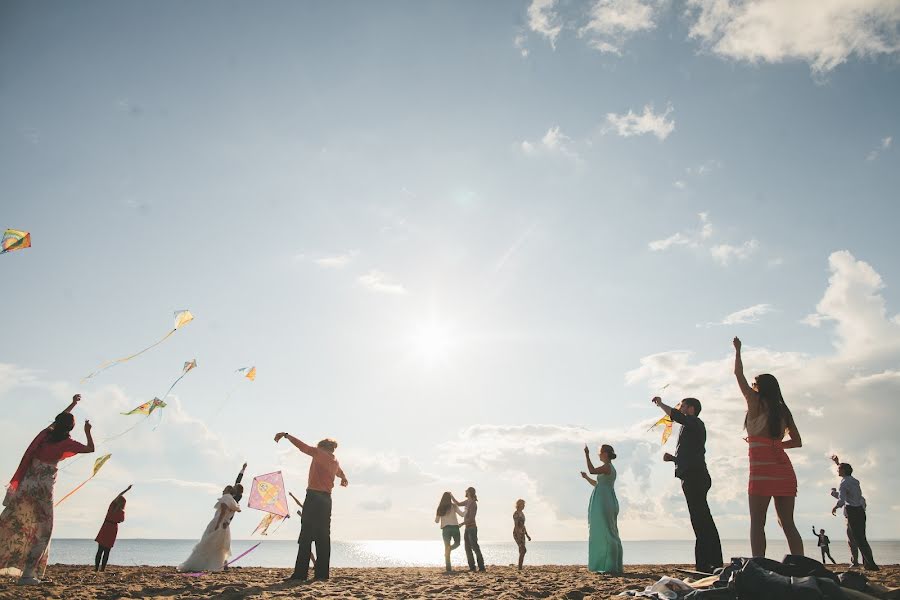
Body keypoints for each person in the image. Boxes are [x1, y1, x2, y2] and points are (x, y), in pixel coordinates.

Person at [0, 394, 95, 585]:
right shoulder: (67, 443)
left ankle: (17, 568)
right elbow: (90, 448)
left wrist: (73, 404)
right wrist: (87, 431)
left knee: (13, 521)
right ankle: (27, 575)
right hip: (43, 490)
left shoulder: (45, 435)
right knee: (43, 530)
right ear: (71, 428)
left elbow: (60, 418)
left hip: (26, 487)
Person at [733, 337, 803, 558]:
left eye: (755, 384)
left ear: (760, 388)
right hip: (783, 469)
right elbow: (797, 441)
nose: (752, 386)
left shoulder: (754, 402)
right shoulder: (783, 410)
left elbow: (738, 375)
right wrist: (774, 444)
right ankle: (800, 564)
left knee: (757, 522)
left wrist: (738, 351)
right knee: (788, 523)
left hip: (762, 470)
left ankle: (758, 565)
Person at [652, 396, 723, 574]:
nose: (680, 408)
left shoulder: (695, 423)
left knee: (701, 521)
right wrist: (673, 459)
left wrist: (660, 404)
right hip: (692, 475)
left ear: (691, 408)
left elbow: (677, 416)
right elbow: (692, 455)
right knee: (700, 520)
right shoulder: (689, 426)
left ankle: (709, 563)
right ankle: (708, 562)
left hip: (695, 477)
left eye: (683, 405)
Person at [275, 433, 348, 582]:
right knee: (323, 537)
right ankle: (321, 574)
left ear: (321, 446)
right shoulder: (335, 461)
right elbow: (340, 472)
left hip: (314, 497)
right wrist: (344, 478)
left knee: (306, 536)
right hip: (327, 500)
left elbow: (303, 447)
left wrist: (287, 436)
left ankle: (300, 574)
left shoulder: (318, 453)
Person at [177, 485, 241, 572]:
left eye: (224, 489)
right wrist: (227, 522)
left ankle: (201, 565)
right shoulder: (233, 501)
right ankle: (219, 564)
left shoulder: (225, 498)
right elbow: (231, 514)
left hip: (218, 522)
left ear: (228, 491)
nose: (222, 491)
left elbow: (222, 512)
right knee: (220, 545)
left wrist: (218, 524)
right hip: (225, 525)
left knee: (207, 542)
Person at [830, 455, 878, 571]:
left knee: (856, 539)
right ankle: (867, 563)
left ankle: (869, 564)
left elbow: (842, 500)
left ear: (844, 470)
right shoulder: (854, 481)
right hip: (860, 511)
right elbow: (849, 492)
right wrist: (838, 463)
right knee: (861, 538)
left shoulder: (844, 483)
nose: (837, 470)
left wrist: (835, 506)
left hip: (852, 511)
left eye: (839, 469)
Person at [581, 444, 623, 574]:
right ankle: (608, 564)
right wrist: (586, 478)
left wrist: (586, 455)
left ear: (605, 453)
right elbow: (597, 484)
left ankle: (610, 566)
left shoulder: (607, 467)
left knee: (607, 531)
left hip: (604, 501)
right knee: (608, 531)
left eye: (599, 452)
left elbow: (592, 470)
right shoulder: (609, 468)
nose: (598, 454)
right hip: (606, 499)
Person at [94, 485, 132, 572]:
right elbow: (121, 520)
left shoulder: (112, 506)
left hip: (106, 526)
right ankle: (102, 569)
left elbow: (119, 495)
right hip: (112, 528)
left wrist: (126, 489)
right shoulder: (121, 512)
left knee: (100, 550)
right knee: (107, 551)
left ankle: (96, 568)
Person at [452, 487, 485, 572]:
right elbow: (458, 503)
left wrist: (462, 524)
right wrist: (451, 496)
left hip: (472, 528)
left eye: (466, 490)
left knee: (475, 547)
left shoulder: (473, 503)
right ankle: (472, 567)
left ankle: (481, 567)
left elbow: (471, 518)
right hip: (467, 528)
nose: (465, 491)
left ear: (469, 492)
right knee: (467, 548)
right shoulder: (467, 502)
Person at [434, 491, 465, 573]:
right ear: (450, 498)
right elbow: (462, 515)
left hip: (445, 529)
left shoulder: (440, 507)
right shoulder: (454, 506)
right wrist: (466, 509)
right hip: (455, 528)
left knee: (446, 547)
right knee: (457, 543)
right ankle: (450, 549)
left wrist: (441, 516)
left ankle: (448, 568)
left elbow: (436, 521)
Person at [512, 499, 531, 570]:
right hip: (517, 533)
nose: (524, 506)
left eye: (524, 504)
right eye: (523, 504)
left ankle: (520, 567)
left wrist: (527, 535)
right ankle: (520, 567)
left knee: (522, 550)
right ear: (519, 505)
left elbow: (523, 525)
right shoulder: (516, 513)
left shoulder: (522, 513)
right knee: (523, 550)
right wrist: (519, 536)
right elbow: (516, 525)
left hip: (522, 533)